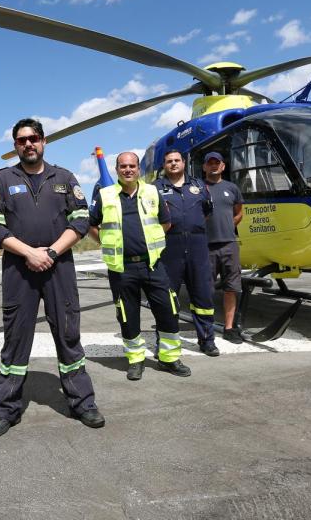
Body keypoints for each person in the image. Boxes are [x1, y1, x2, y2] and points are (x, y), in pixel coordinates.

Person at [0, 118, 103, 439]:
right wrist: (29, 253)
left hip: (59, 266)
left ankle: (82, 402)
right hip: (18, 269)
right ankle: (6, 409)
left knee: (67, 332)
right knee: (15, 338)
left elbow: (80, 221)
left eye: (33, 138)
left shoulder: (63, 177)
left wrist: (50, 253)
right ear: (15, 146)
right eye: (21, 141)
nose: (28, 144)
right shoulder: (2, 179)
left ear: (44, 141)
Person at [89, 152, 192, 381]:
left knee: (168, 310)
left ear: (138, 169)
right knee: (128, 315)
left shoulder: (152, 191)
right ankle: (135, 360)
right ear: (117, 169)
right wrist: (108, 243)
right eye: (123, 166)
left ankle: (169, 358)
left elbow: (166, 222)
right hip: (122, 268)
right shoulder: (104, 195)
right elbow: (91, 225)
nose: (128, 170)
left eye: (132, 166)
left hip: (153, 264)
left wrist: (149, 244)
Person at [154, 150, 219, 356]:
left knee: (203, 296)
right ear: (164, 165)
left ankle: (207, 340)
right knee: (166, 297)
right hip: (168, 247)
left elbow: (207, 212)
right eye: (168, 161)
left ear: (184, 162)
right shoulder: (155, 188)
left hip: (197, 246)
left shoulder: (199, 186)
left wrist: (191, 228)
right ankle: (165, 343)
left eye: (176, 160)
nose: (173, 164)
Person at [202, 151, 245, 344]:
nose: (213, 166)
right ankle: (205, 326)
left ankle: (229, 328)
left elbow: (239, 213)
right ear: (204, 167)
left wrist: (228, 226)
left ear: (222, 166)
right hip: (205, 247)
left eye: (216, 163)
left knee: (231, 288)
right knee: (205, 288)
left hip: (229, 245)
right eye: (209, 163)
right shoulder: (198, 188)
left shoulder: (232, 188)